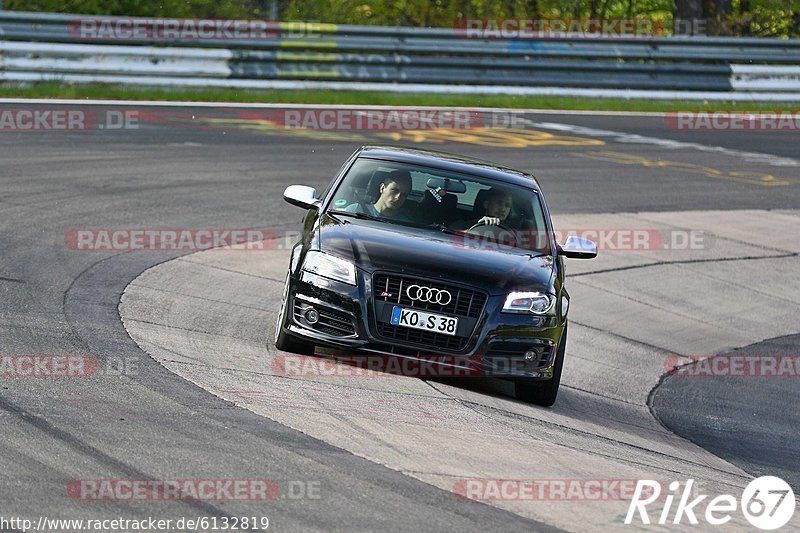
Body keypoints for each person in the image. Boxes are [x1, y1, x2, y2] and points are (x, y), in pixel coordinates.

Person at [345, 169, 413, 221]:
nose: (398, 197)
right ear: (382, 188)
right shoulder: (354, 211)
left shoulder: (406, 224)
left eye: (404, 195)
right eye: (394, 190)